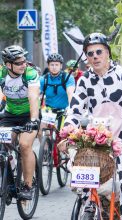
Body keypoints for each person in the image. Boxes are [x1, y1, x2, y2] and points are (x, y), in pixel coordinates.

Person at [60, 32, 122, 219]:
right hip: (97, 141)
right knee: (83, 182)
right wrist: (67, 135)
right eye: (90, 53)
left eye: (99, 52)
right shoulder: (84, 80)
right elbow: (75, 110)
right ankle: (90, 206)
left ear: (108, 53)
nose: (94, 56)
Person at [0, 45, 40, 200]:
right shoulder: (2, 73)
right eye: (19, 63)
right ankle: (8, 170)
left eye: (24, 60)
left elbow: (33, 96)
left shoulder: (30, 73)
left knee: (24, 145)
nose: (24, 64)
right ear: (8, 65)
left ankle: (28, 185)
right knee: (3, 143)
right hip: (10, 114)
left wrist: (34, 120)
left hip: (29, 115)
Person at [39, 53, 75, 139]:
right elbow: (36, 95)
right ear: (48, 66)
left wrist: (71, 108)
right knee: (41, 131)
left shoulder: (68, 78)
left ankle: (61, 150)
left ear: (61, 66)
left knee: (63, 134)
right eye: (52, 65)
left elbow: (70, 94)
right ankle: (45, 151)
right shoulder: (43, 79)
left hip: (64, 110)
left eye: (56, 65)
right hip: (49, 110)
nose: (54, 67)